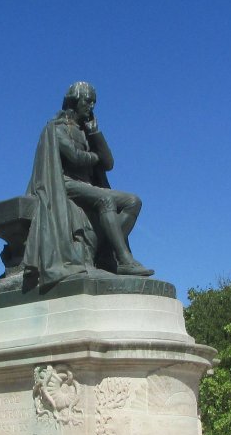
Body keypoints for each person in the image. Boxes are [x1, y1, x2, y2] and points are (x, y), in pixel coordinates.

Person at [22, 81, 153, 289]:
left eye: (94, 102)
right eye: (88, 101)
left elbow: (108, 163)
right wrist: (95, 156)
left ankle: (105, 252)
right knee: (106, 199)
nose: (91, 106)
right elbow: (75, 157)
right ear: (74, 101)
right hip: (64, 183)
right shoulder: (56, 128)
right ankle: (124, 260)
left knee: (133, 201)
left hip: (87, 184)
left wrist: (96, 133)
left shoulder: (86, 131)